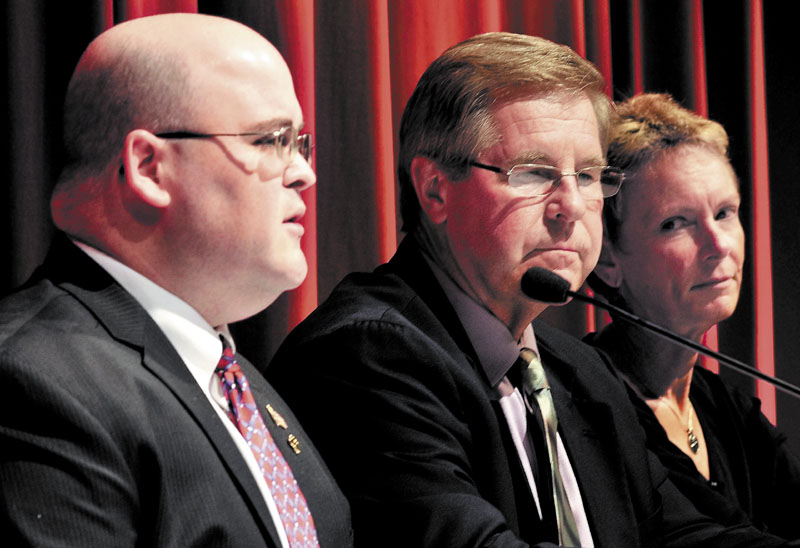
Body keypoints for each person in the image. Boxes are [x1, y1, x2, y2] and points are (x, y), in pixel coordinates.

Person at [268, 32, 797, 547]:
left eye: (589, 175)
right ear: (434, 190)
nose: (571, 206)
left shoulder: (579, 372)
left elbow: (680, 532)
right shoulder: (368, 357)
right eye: (534, 173)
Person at [0, 13, 352, 547]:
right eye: (270, 140)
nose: (304, 173)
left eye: (299, 144)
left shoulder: (234, 379)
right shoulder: (34, 382)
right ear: (148, 167)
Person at [585, 92, 800, 538]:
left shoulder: (725, 409)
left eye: (725, 213)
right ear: (607, 258)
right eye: (676, 223)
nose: (719, 244)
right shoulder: (591, 406)